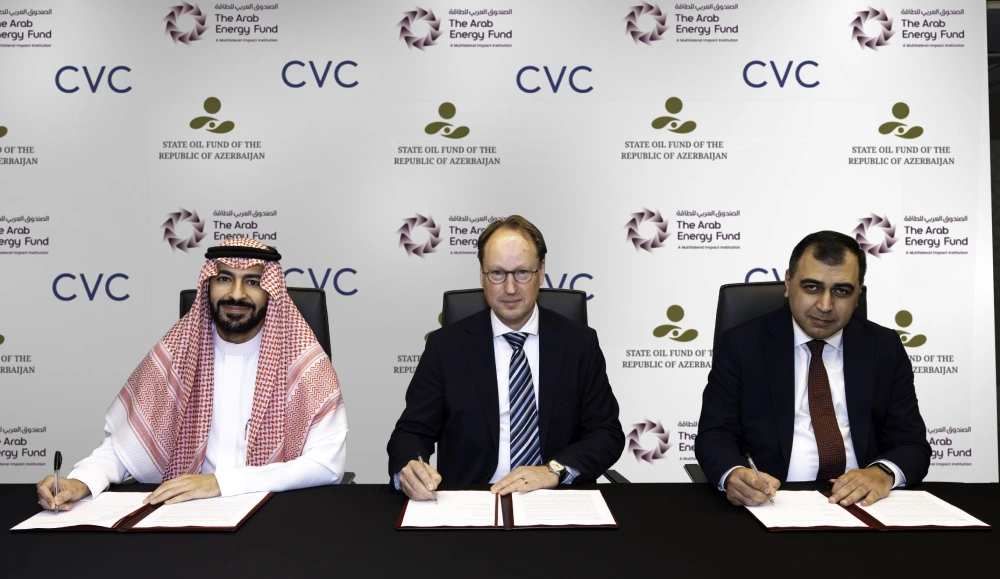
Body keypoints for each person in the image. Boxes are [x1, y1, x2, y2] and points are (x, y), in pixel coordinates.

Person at [36, 238, 348, 511]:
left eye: (252, 282)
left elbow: (326, 465)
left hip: (273, 514)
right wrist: (82, 480)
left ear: (270, 290)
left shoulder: (305, 366)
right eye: (224, 278)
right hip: (187, 513)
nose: (236, 294)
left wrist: (220, 483)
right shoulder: (177, 354)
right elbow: (125, 447)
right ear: (208, 285)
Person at [387, 215, 624, 500]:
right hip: (472, 499)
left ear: (541, 271)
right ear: (482, 274)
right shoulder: (446, 346)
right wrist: (410, 469)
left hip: (555, 495)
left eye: (522, 273)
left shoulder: (579, 343)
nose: (510, 288)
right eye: (497, 274)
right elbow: (412, 430)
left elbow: (605, 433)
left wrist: (553, 470)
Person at [696, 230, 930, 508]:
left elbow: (911, 444)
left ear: (858, 293)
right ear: (788, 282)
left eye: (841, 291)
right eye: (812, 287)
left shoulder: (884, 347)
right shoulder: (741, 344)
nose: (825, 306)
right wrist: (734, 473)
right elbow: (715, 435)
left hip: (861, 504)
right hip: (773, 502)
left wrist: (882, 473)